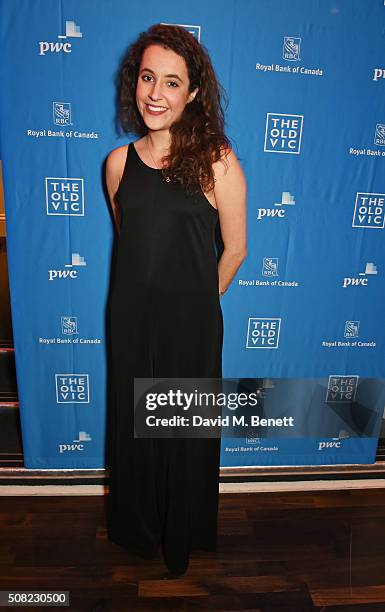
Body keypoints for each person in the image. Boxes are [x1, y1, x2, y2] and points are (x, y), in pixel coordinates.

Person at [104, 23, 246, 578]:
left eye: (171, 82)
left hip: (192, 322)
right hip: (130, 318)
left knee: (182, 429)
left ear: (192, 94)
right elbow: (131, 244)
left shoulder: (218, 160)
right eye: (147, 78)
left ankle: (180, 538)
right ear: (133, 82)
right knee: (135, 426)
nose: (155, 94)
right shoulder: (117, 164)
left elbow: (234, 251)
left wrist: (193, 305)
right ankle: (137, 531)